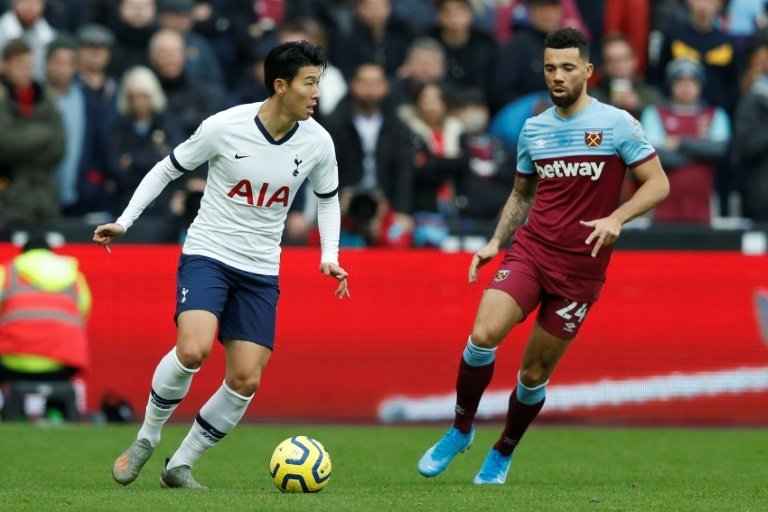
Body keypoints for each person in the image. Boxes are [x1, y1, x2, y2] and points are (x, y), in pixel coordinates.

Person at [416, 28, 669, 485]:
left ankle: (503, 451)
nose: (557, 76)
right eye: (550, 68)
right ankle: (460, 428)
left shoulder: (617, 124)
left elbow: (658, 183)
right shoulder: (534, 128)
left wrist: (617, 218)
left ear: (588, 72)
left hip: (581, 270)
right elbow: (521, 194)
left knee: (532, 373)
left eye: (568, 68)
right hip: (532, 251)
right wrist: (496, 241)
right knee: (482, 334)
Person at [95, 40, 349, 489]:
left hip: (261, 269)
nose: (317, 94)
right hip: (209, 253)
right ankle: (147, 437)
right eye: (309, 83)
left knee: (245, 379)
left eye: (318, 83)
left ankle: (181, 464)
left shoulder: (318, 142)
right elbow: (166, 168)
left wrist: (329, 256)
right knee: (193, 349)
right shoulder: (225, 126)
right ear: (280, 85)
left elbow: (327, 201)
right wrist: (124, 220)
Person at [0, 231, 91, 402]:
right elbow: (83, 315)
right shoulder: (75, 278)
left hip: (12, 362)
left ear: (23, 254)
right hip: (64, 364)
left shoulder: (7, 273)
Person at [640, 58, 730, 225]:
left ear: (701, 85)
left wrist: (680, 142)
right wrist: (700, 152)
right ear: (671, 84)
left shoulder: (716, 114)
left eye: (692, 81)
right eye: (680, 81)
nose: (686, 86)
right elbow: (655, 156)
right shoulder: (654, 114)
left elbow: (719, 150)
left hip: (703, 207)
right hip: (661, 208)